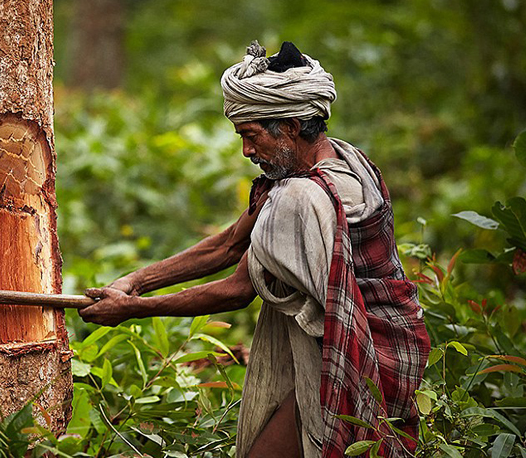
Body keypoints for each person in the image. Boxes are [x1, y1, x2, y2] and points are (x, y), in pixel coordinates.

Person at [78, 41, 430, 458]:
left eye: (251, 135)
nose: (246, 151)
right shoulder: (348, 159)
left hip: (350, 355)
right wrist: (136, 281)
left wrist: (135, 309)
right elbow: (228, 245)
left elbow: (237, 289)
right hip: (368, 347)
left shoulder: (300, 198)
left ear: (293, 126)